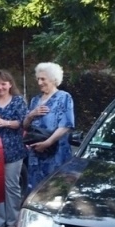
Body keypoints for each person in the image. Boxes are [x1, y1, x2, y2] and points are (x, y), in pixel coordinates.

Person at [23, 62, 75, 191]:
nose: (39, 82)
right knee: (36, 191)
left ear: (53, 79)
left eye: (43, 79)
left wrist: (47, 143)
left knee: (55, 191)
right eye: (38, 79)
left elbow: (66, 125)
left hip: (56, 153)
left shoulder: (64, 97)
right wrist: (31, 115)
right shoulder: (35, 100)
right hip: (36, 155)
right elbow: (25, 126)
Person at [0, 70, 28, 227]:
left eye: (3, 84)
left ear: (10, 84)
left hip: (14, 150)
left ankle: (13, 221)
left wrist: (5, 123)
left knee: (11, 186)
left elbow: (23, 123)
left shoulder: (18, 101)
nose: (0, 87)